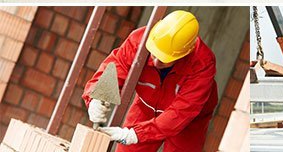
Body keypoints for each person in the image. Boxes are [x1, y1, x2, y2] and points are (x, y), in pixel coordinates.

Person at [84, 11, 218, 150]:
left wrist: (135, 134)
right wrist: (97, 96)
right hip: (145, 107)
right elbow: (117, 66)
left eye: (164, 60)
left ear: (183, 54)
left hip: (188, 121)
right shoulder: (139, 41)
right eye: (154, 53)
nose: (156, 62)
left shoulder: (202, 64)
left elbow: (182, 111)